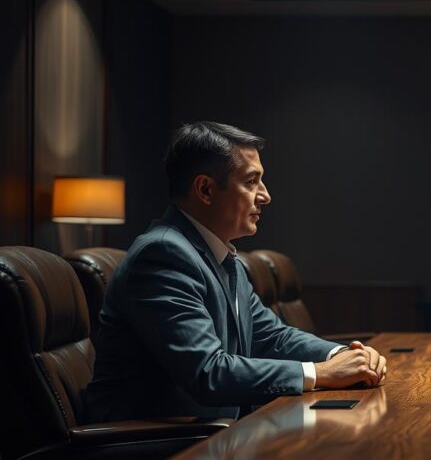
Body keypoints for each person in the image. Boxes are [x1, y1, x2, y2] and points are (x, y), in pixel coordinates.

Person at [87, 121, 386, 422]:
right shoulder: (163, 254)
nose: (265, 196)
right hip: (157, 449)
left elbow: (271, 336)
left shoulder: (220, 255)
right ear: (205, 189)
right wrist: (319, 373)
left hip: (214, 434)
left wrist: (342, 355)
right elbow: (208, 372)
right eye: (251, 181)